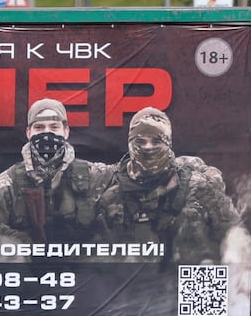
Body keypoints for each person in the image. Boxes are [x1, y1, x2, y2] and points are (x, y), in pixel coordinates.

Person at [98, 107, 241, 267]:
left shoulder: (198, 186)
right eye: (140, 141)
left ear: (168, 143)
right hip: (129, 284)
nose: (148, 147)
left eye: (156, 141)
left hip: (182, 281)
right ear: (130, 143)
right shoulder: (111, 190)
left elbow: (235, 236)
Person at [0, 98, 112, 245]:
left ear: (66, 131)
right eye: (39, 127)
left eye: (54, 127)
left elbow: (131, 175)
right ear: (29, 133)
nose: (47, 133)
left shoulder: (96, 175)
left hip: (82, 264)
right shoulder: (7, 183)